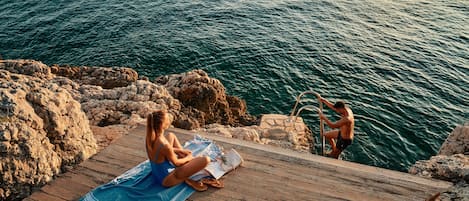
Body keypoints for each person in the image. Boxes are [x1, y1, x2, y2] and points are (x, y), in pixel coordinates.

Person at [146, 110, 210, 191]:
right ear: (162, 124)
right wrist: (188, 157)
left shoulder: (150, 138)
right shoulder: (164, 145)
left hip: (157, 173)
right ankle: (186, 178)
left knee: (171, 135)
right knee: (206, 160)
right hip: (167, 179)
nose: (169, 120)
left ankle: (186, 168)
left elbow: (161, 150)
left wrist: (180, 151)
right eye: (167, 119)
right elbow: (176, 162)